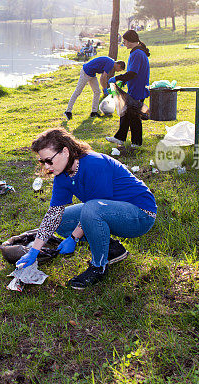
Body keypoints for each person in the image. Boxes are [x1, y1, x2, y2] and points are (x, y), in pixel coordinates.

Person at [16, 128, 157, 289]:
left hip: (140, 214)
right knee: (61, 220)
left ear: (65, 152)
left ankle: (99, 267)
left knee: (91, 210)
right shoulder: (62, 175)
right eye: (42, 162)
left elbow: (94, 208)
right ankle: (112, 249)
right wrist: (34, 250)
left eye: (49, 160)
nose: (47, 166)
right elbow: (53, 214)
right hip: (107, 210)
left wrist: (74, 238)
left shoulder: (94, 163)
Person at [106, 30, 151, 148]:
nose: (123, 43)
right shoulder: (138, 51)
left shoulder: (137, 53)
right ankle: (120, 138)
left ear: (130, 41)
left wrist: (117, 78)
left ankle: (136, 143)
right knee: (126, 113)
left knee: (134, 116)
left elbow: (133, 73)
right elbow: (132, 73)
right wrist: (124, 80)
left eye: (124, 41)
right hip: (136, 87)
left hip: (138, 89)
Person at [64, 56, 125, 120]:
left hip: (92, 74)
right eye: (119, 70)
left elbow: (102, 78)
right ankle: (68, 111)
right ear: (119, 65)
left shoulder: (110, 62)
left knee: (97, 92)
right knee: (77, 92)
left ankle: (94, 112)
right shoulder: (111, 64)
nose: (118, 71)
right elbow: (104, 77)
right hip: (86, 72)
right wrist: (104, 88)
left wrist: (104, 88)